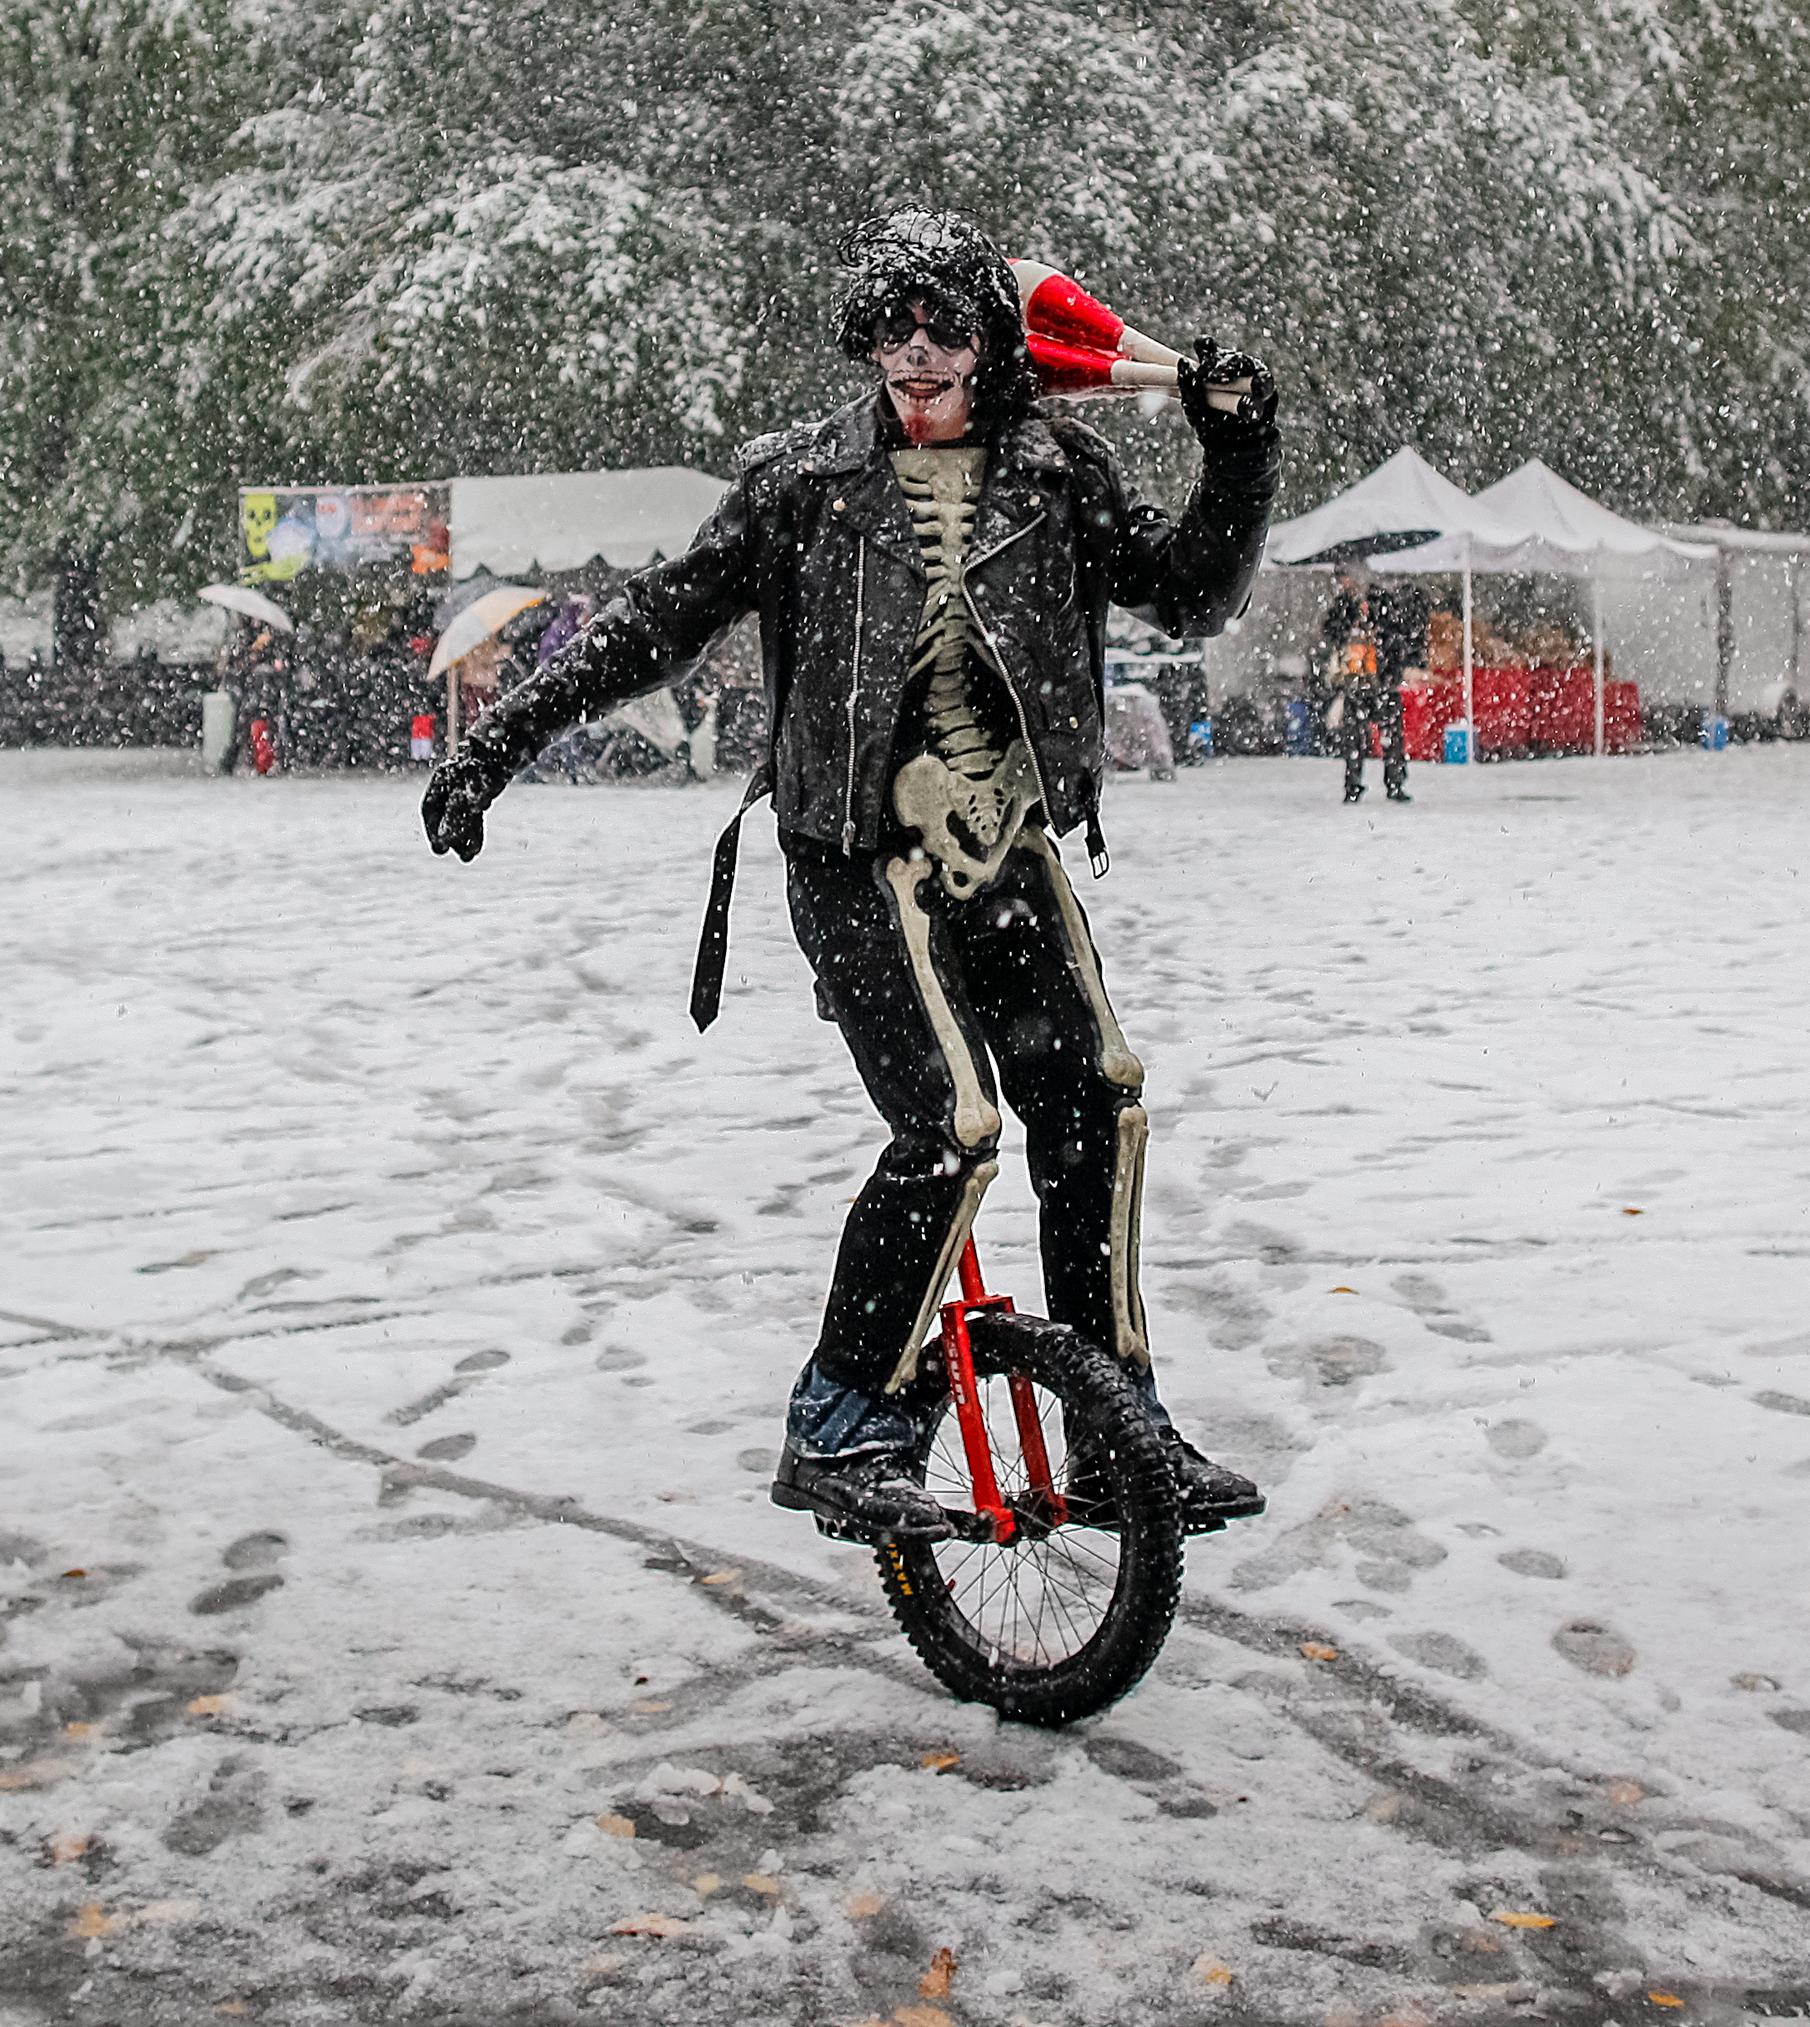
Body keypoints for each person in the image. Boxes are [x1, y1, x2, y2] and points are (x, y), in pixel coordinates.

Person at [419, 212, 1280, 1545]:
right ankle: (839, 1418)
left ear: (995, 345)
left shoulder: (1060, 472)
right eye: (890, 331)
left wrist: (1241, 453)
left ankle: (1117, 1429)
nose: (914, 354)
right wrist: (498, 744)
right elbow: (657, 620)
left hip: (1002, 841)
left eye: (941, 328)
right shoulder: (803, 483)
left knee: (1095, 1094)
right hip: (851, 851)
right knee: (953, 1124)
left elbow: (1190, 597)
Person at [1319, 560, 1423, 803]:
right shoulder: (1345, 605)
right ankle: (1353, 784)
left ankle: (1394, 783)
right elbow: (1331, 631)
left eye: (1345, 576)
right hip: (1356, 680)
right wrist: (1349, 625)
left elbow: (1399, 634)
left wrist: (1383, 645)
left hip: (1382, 680)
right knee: (1354, 736)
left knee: (1391, 736)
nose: (1343, 582)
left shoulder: (1382, 602)